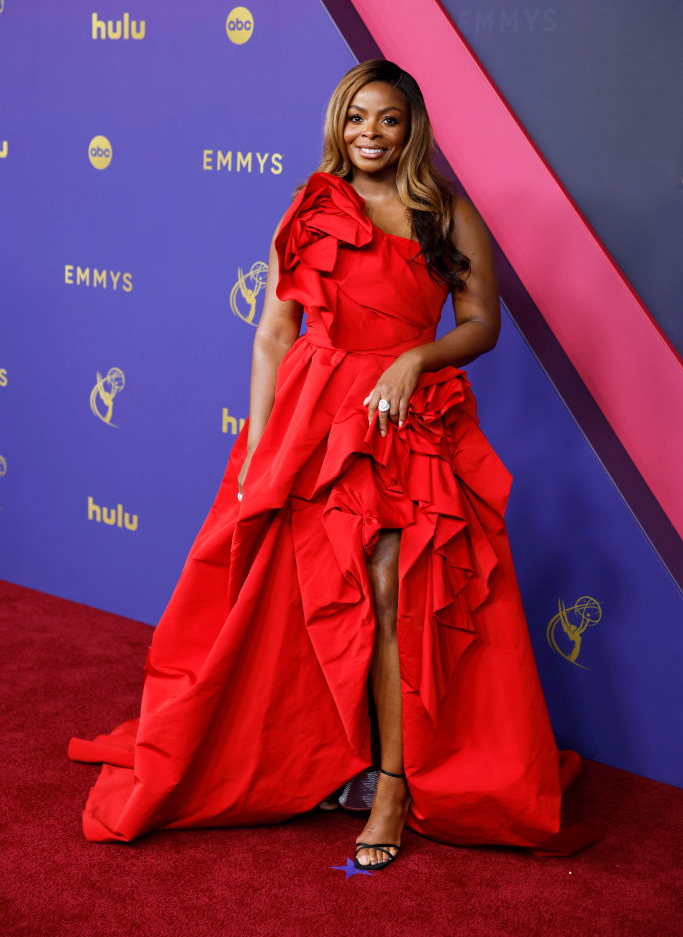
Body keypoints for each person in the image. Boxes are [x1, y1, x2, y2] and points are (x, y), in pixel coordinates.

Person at [68, 60, 598, 868]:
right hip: (313, 420)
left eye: (386, 119)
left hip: (403, 418)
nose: (370, 135)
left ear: (411, 126)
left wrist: (416, 359)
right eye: (356, 118)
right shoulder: (312, 207)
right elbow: (274, 333)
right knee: (302, 592)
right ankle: (323, 759)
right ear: (336, 125)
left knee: (392, 588)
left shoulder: (445, 213)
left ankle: (391, 785)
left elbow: (482, 322)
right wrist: (260, 444)